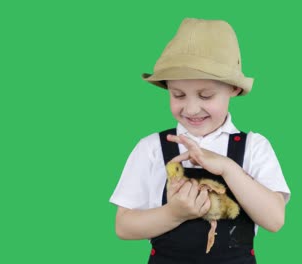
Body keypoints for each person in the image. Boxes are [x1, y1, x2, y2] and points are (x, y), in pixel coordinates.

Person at [109, 18, 290, 263]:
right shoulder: (151, 148)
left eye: (206, 95)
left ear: (233, 89)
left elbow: (275, 220)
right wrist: (174, 213)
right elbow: (124, 226)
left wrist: (227, 167)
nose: (192, 109)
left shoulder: (254, 148)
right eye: (178, 95)